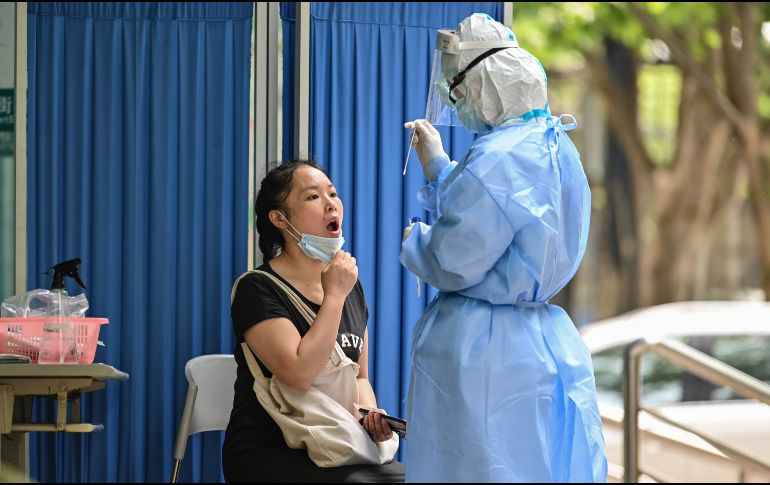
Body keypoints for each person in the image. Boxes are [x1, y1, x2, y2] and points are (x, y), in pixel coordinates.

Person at [400, 14, 608, 482]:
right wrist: (439, 167)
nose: (456, 102)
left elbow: (456, 258)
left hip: (482, 351)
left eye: (458, 90)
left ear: (482, 83)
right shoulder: (557, 146)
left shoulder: (494, 157)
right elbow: (499, 210)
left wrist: (417, 241)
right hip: (542, 341)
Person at [223, 160, 404, 483]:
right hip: (269, 450)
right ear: (280, 219)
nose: (331, 203)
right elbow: (299, 374)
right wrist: (333, 297)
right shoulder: (256, 288)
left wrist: (368, 418)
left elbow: (360, 376)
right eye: (312, 197)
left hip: (339, 444)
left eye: (332, 193)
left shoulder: (349, 286)